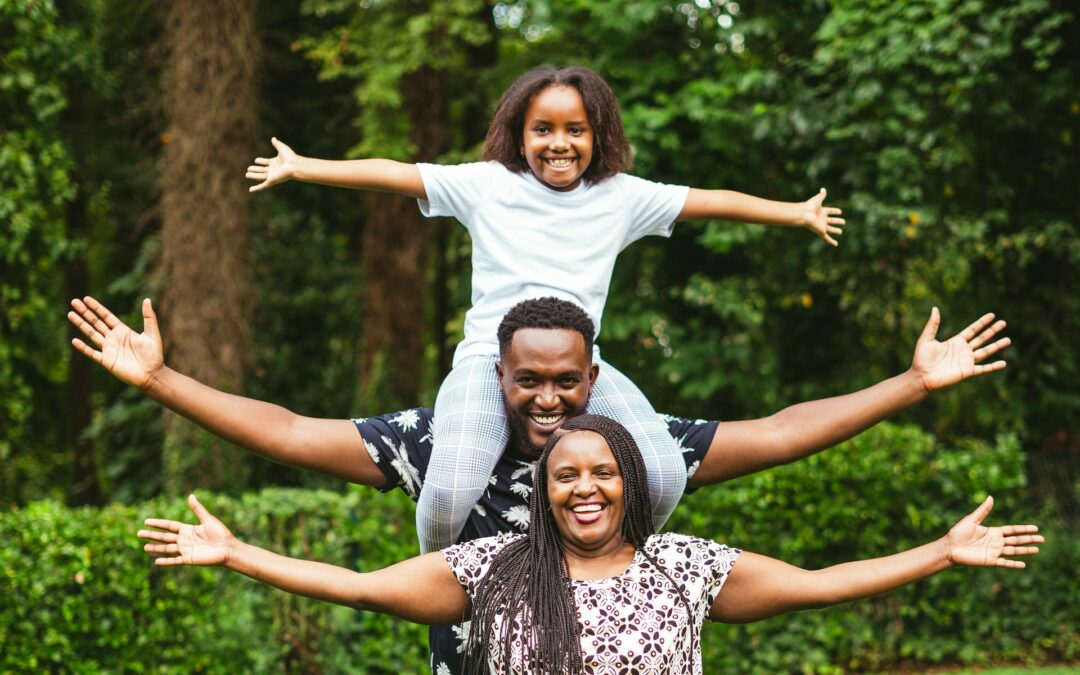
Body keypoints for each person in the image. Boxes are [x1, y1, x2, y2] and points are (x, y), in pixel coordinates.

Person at [69, 294, 1010, 673]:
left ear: (594, 382)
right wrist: (160, 381)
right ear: (499, 377)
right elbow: (286, 432)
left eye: (569, 380)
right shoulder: (442, 451)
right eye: (531, 380)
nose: (550, 397)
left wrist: (915, 383)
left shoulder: (647, 480)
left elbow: (778, 435)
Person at [244, 66, 848, 555]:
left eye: (575, 130)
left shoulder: (622, 197)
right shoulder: (487, 184)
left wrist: (793, 212)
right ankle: (437, 581)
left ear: (598, 134)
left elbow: (710, 201)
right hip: (491, 361)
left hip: (583, 368)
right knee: (452, 484)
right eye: (543, 130)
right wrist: (303, 167)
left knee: (662, 472)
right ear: (519, 133)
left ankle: (614, 574)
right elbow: (396, 174)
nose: (559, 143)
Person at [138, 414, 1041, 674]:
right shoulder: (492, 567)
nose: (584, 486)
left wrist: (938, 551)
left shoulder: (686, 566)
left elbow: (819, 583)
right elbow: (364, 586)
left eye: (602, 471)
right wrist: (240, 552)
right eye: (565, 474)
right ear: (544, 489)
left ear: (631, 483)